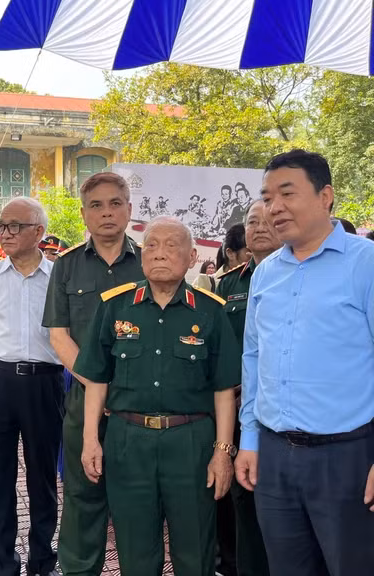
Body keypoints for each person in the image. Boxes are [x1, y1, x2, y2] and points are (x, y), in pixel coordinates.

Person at [235, 149, 374, 576]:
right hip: (275, 459)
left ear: (325, 195)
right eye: (267, 196)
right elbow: (254, 357)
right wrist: (250, 440)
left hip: (347, 459)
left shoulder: (365, 264)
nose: (273, 207)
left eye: (287, 193)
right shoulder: (265, 273)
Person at [76, 216, 240, 576]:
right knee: (134, 547)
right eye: (151, 245)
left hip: (191, 441)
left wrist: (223, 452)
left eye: (171, 245)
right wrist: (90, 440)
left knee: (195, 547)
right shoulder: (115, 307)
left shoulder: (211, 311)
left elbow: (224, 389)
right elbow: (97, 380)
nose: (159, 253)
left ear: (192, 256)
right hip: (127, 440)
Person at [42, 172, 143, 576]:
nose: (107, 212)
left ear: (129, 210)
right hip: (84, 400)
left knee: (138, 496)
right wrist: (96, 381)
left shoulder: (148, 261)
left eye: (115, 203)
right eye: (97, 205)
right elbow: (59, 335)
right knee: (83, 495)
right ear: (84, 214)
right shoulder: (66, 267)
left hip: (139, 401)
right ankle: (80, 569)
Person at [0, 197, 63, 576]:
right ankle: (2, 564)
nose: (5, 233)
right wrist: (3, 359)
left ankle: (42, 561)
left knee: (44, 478)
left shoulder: (60, 277)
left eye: (15, 226)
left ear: (38, 231)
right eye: (2, 225)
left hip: (45, 384)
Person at [215, 198, 281, 576]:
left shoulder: (296, 275)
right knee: (240, 494)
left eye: (266, 220)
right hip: (235, 408)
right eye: (251, 222)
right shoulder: (229, 283)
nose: (257, 228)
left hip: (279, 408)